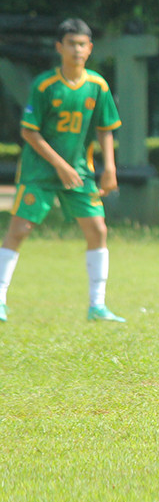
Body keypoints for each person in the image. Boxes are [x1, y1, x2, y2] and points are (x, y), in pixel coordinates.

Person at [0, 18, 125, 323]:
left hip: (79, 172)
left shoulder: (98, 86)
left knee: (98, 230)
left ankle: (97, 306)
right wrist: (60, 165)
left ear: (90, 48)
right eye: (71, 44)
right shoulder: (45, 85)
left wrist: (110, 167)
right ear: (59, 47)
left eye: (82, 44)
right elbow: (29, 132)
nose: (77, 50)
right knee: (19, 230)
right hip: (39, 172)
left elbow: (105, 128)